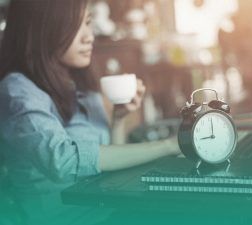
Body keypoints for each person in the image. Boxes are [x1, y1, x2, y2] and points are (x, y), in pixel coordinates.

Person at [0, 0, 180, 225]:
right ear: (40, 29)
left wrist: (118, 121)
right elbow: (63, 161)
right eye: (75, 26)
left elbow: (109, 171)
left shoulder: (77, 80)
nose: (89, 36)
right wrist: (168, 145)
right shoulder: (17, 89)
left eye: (87, 23)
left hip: (104, 210)